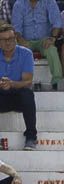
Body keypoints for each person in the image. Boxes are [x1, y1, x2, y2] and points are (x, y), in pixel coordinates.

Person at [0, 24, 36, 152]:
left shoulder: (26, 53)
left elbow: (28, 81)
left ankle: (31, 137)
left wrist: (11, 84)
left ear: (15, 38)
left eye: (11, 38)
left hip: (18, 95)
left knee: (27, 93)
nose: (8, 42)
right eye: (4, 39)